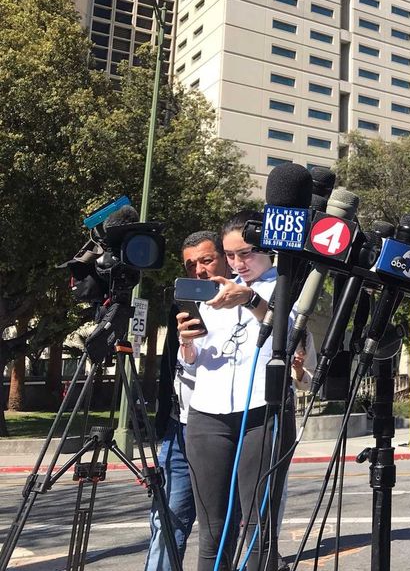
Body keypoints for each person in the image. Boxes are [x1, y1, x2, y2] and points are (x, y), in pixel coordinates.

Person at [178, 211, 297, 571]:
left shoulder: (283, 284)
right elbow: (196, 365)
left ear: (267, 248)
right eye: (230, 256)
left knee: (259, 530)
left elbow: (288, 334)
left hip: (263, 413)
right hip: (207, 416)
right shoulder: (213, 294)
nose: (238, 263)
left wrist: (250, 300)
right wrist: (187, 346)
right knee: (213, 531)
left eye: (245, 253)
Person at [145, 231, 230, 571]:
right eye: (191, 264)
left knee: (220, 528)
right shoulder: (181, 306)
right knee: (166, 521)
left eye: (206, 260)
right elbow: (172, 370)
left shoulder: (244, 305)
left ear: (225, 259)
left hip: (223, 431)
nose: (199, 270)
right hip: (180, 429)